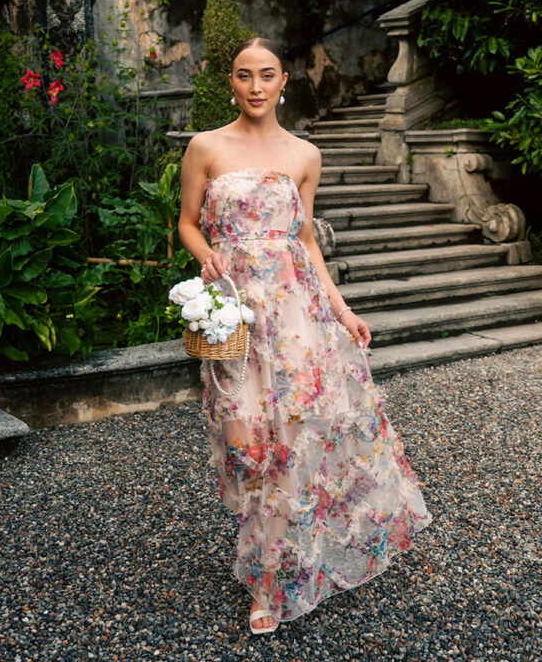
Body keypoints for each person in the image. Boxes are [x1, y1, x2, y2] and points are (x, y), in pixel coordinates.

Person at [179, 37, 432, 634]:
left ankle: (273, 582)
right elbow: (188, 224)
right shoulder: (205, 147)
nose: (257, 86)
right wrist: (209, 255)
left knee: (290, 449)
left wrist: (343, 313)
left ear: (284, 79)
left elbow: (308, 243)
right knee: (246, 445)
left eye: (267, 75)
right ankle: (273, 554)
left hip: (297, 325)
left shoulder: (304, 155)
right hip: (236, 320)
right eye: (245, 76)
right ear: (232, 83)